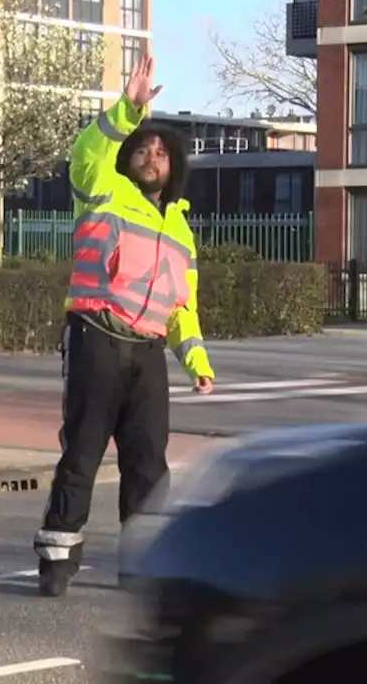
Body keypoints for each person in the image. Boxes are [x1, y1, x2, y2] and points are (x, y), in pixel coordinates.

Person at [33, 53, 215, 597]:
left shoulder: (181, 231)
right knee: (83, 453)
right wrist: (127, 113)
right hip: (97, 337)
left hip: (149, 352)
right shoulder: (102, 191)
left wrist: (198, 362)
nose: (151, 156)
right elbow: (87, 153)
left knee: (148, 464)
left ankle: (142, 565)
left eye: (161, 152)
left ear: (174, 167)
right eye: (142, 148)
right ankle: (57, 560)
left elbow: (184, 308)